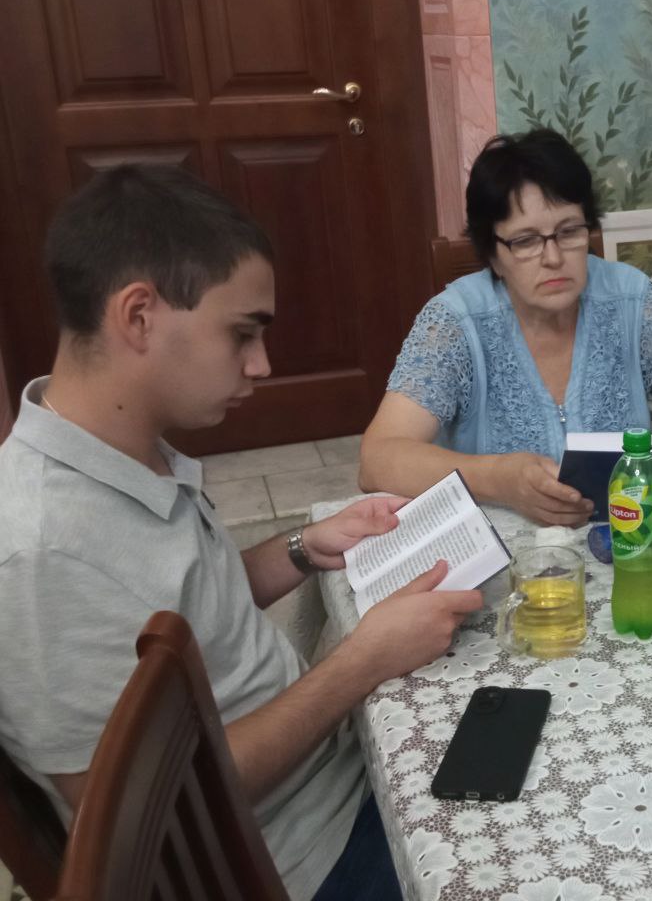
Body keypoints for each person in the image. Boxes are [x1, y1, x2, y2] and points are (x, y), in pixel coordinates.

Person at [0, 164, 484, 900]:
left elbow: (181, 609)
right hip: (296, 862)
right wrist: (360, 661)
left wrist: (301, 549)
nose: (261, 364)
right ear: (139, 316)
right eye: (241, 334)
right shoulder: (38, 550)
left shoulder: (125, 451)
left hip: (334, 782)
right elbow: (140, 816)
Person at [360, 129, 652, 524]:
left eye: (568, 232)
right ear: (492, 254)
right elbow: (377, 459)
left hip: (627, 534)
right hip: (504, 545)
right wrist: (498, 479)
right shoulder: (455, 322)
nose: (552, 257)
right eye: (525, 241)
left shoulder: (631, 301)